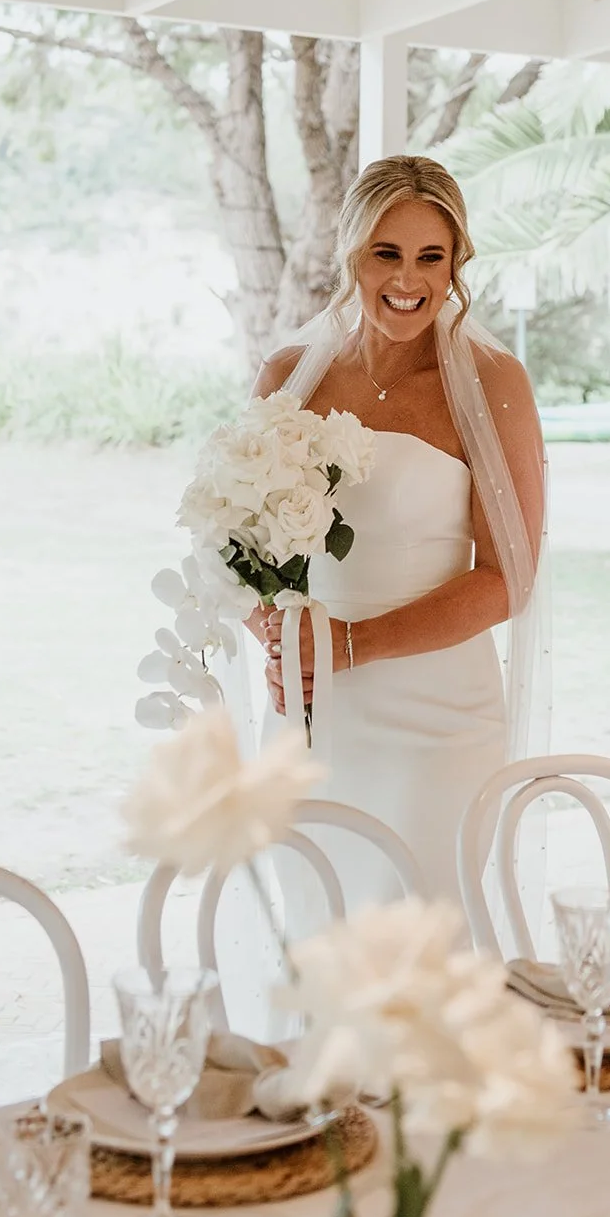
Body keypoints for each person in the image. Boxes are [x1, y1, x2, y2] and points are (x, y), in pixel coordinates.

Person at [246, 154, 547, 906]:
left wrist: (351, 644)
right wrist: (278, 637)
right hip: (312, 712)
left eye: (430, 257)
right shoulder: (289, 377)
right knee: (317, 936)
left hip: (437, 720)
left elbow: (508, 579)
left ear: (456, 264)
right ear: (353, 253)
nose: (406, 280)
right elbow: (245, 544)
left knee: (420, 944)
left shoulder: (491, 382)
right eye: (386, 253)